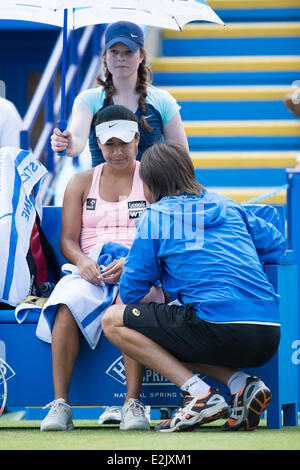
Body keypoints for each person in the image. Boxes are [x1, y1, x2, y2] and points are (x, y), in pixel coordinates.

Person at [102, 142, 285, 433]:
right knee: (177, 324)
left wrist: (139, 266)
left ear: (150, 184)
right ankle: (243, 385)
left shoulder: (156, 216)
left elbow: (132, 292)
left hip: (217, 326)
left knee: (114, 320)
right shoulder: (228, 205)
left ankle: (200, 395)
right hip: (269, 331)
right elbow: (276, 244)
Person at [39, 105, 164, 432]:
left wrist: (135, 264)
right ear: (98, 143)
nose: (118, 151)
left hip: (139, 267)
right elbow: (67, 241)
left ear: (138, 140)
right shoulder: (80, 182)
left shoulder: (152, 180)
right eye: (110, 144)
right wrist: (83, 263)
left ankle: (133, 404)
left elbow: (163, 236)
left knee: (130, 306)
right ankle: (60, 405)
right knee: (64, 306)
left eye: (124, 142)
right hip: (90, 268)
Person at [50, 20, 188, 167]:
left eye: (128, 52)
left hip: (150, 187)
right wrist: (67, 143)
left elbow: (181, 156)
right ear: (105, 56)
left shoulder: (163, 100)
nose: (121, 58)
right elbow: (76, 142)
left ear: (141, 56)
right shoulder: (88, 100)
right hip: (102, 188)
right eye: (114, 52)